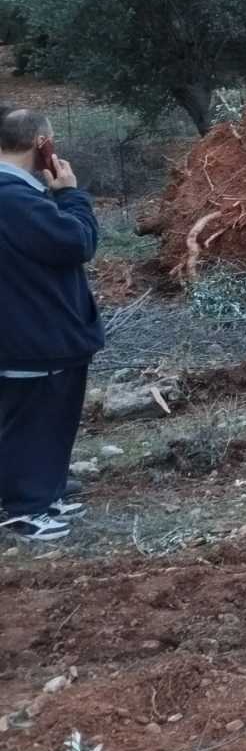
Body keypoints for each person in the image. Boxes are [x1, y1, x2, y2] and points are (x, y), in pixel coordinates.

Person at [0, 107, 104, 543]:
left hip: (29, 329)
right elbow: (76, 242)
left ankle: (44, 491)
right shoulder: (14, 198)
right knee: (34, 421)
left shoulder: (17, 194)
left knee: (46, 418)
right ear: (42, 144)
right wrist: (70, 195)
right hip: (34, 333)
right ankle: (25, 510)